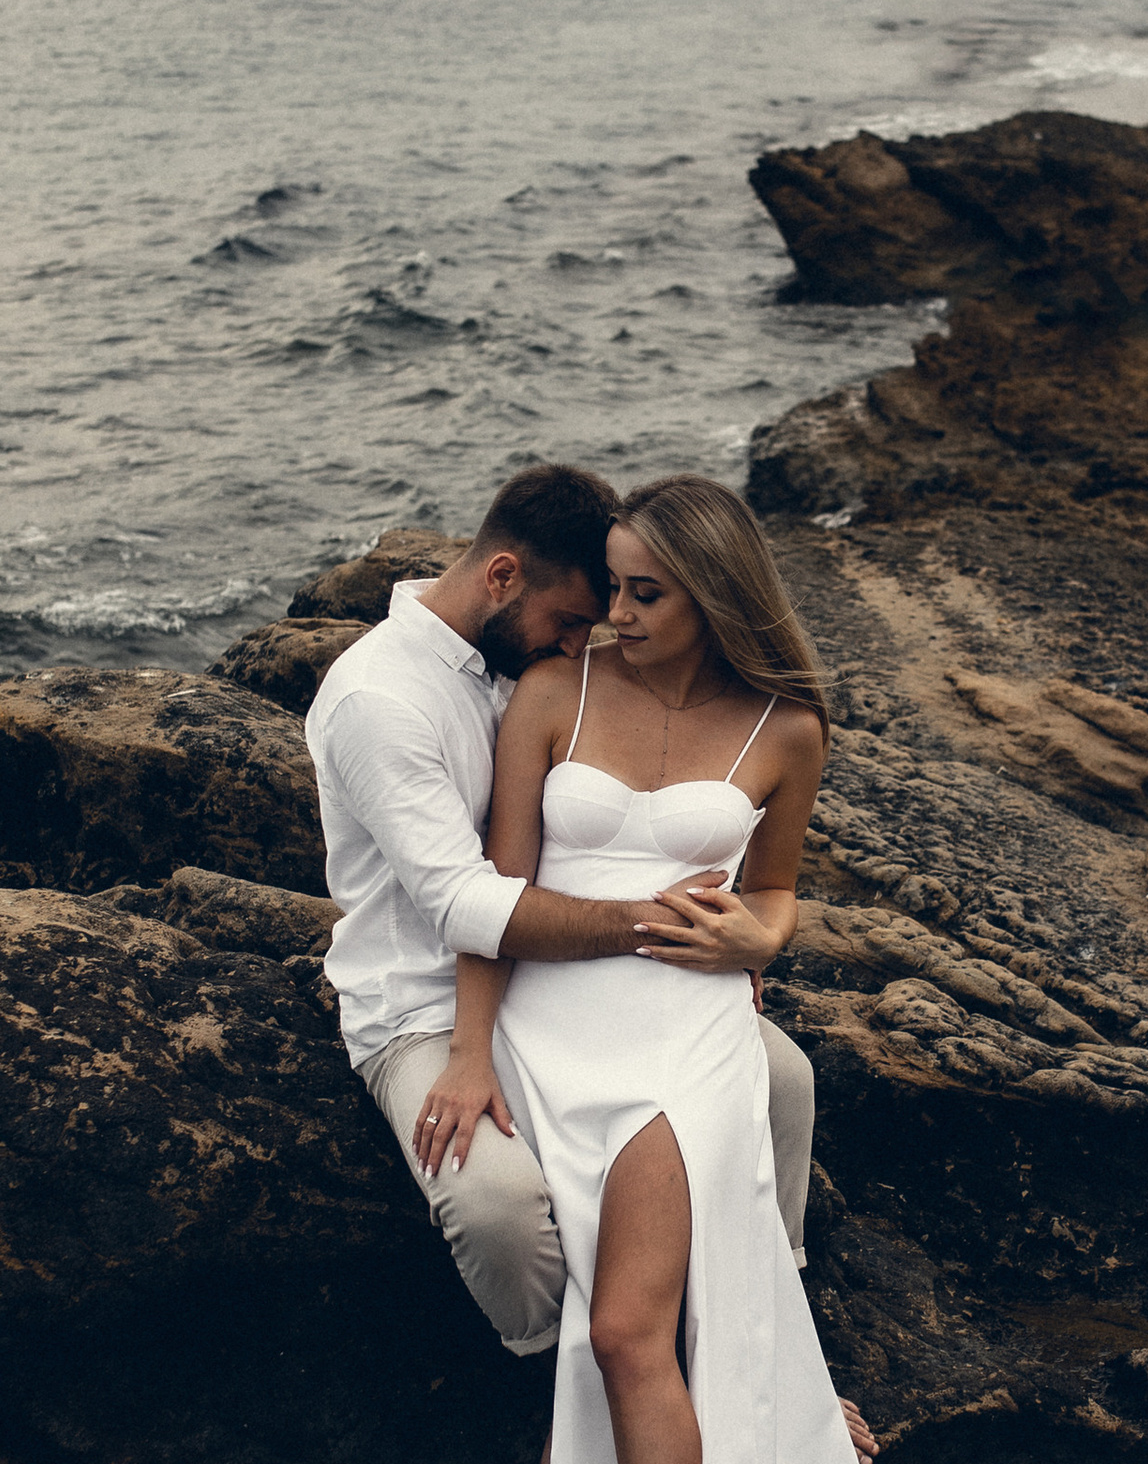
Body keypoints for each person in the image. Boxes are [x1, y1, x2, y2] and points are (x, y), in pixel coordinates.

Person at [424, 475, 891, 1464]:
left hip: (683, 1035)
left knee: (635, 1329)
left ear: (717, 597)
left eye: (646, 593)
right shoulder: (554, 696)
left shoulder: (786, 729)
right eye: (612, 586)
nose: (615, 615)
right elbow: (495, 897)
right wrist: (470, 1049)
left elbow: (780, 896)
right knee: (634, 1330)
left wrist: (760, 940)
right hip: (553, 1026)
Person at [302, 462, 821, 1367]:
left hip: (568, 979)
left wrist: (739, 949)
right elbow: (470, 903)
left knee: (783, 1082)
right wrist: (669, 930)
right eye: (577, 619)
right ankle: (565, 1377)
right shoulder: (382, 702)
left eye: (619, 603)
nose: (595, 640)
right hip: (424, 1007)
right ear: (503, 579)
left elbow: (742, 871)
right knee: (497, 1210)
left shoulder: (523, 658)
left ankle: (764, 1352)